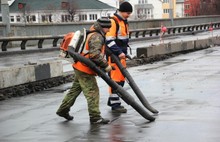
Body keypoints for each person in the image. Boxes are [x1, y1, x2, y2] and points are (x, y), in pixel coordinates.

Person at [56, 17, 112, 124]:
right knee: (92, 92)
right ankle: (95, 117)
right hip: (85, 68)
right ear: (102, 27)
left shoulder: (93, 32)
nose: (109, 30)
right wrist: (106, 66)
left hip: (79, 66)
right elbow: (95, 55)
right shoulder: (97, 36)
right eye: (107, 28)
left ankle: (63, 110)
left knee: (75, 90)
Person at [105, 1, 133, 113]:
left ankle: (112, 100)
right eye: (127, 12)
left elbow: (123, 39)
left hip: (121, 55)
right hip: (114, 56)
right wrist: (118, 52)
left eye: (130, 13)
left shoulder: (124, 22)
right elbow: (109, 40)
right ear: (121, 11)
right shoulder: (114, 22)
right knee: (115, 80)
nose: (129, 15)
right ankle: (115, 105)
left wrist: (123, 53)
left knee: (121, 80)